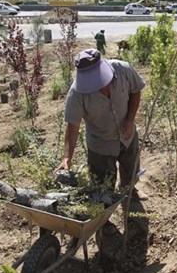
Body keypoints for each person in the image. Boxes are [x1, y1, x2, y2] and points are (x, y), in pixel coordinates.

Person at [56, 48, 145, 197]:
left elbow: (136, 91)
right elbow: (73, 126)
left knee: (131, 167)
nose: (100, 87)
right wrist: (67, 157)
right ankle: (107, 208)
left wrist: (130, 120)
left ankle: (129, 190)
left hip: (127, 136)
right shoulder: (76, 94)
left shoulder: (123, 70)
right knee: (103, 187)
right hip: (100, 145)